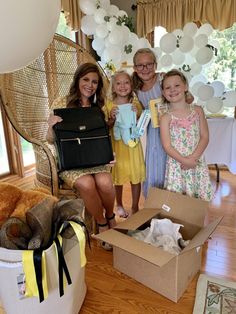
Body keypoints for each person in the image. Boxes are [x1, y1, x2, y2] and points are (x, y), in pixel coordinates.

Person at [46, 63, 116, 249]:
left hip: (95, 160)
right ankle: (101, 224)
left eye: (94, 82)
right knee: (86, 183)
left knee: (105, 182)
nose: (90, 85)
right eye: (85, 79)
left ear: (98, 86)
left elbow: (103, 138)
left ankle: (111, 216)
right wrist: (50, 125)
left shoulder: (99, 108)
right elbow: (50, 140)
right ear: (77, 80)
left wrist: (110, 154)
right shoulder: (61, 103)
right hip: (72, 163)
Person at [160, 69, 213, 201]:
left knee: (198, 202)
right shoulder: (165, 117)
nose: (172, 90)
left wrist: (192, 159)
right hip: (178, 165)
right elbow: (167, 146)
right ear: (163, 92)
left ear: (185, 87)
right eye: (168, 87)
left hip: (196, 162)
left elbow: (205, 136)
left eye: (177, 85)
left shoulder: (197, 110)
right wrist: (185, 161)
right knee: (177, 203)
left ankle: (197, 221)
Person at [104, 70, 146, 216]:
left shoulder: (135, 102)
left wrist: (138, 113)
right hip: (118, 147)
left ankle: (135, 206)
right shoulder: (109, 105)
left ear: (131, 85)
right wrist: (111, 118)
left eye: (126, 82)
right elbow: (107, 126)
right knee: (119, 177)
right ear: (113, 87)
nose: (123, 86)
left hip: (133, 146)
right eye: (118, 83)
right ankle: (119, 204)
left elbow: (142, 123)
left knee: (135, 177)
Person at [132, 48, 167, 198]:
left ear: (155, 65)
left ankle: (174, 200)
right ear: (135, 68)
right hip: (153, 132)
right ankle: (154, 200)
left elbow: (188, 98)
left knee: (169, 163)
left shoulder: (163, 79)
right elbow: (140, 112)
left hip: (171, 128)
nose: (145, 68)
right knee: (155, 164)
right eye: (140, 65)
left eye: (149, 64)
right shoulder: (136, 89)